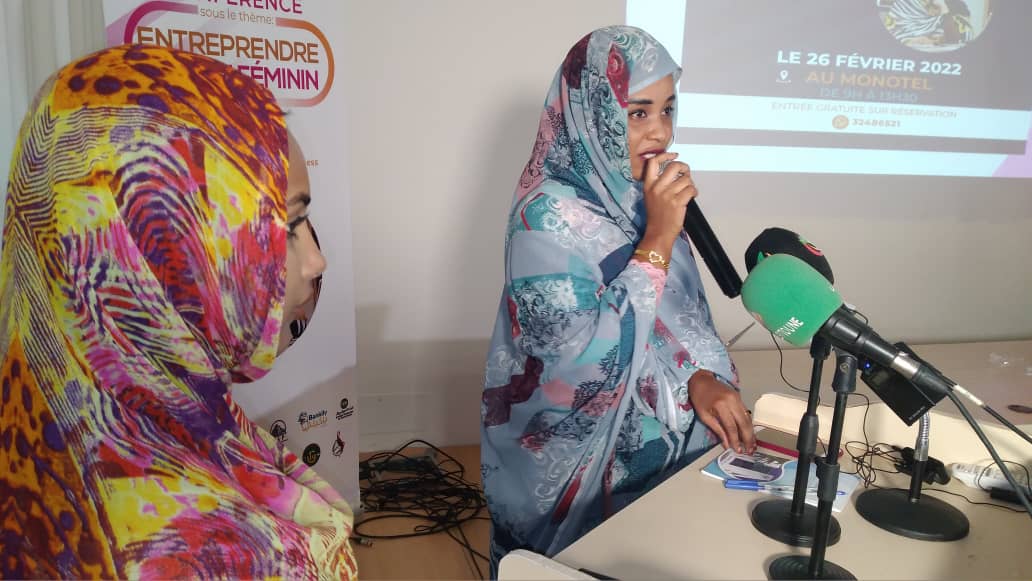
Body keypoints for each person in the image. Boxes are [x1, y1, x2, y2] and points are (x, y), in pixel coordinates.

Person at [0, 44, 355, 579]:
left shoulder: (50, 424)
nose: (315, 260)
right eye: (282, 228)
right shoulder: (216, 556)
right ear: (166, 251)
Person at [481, 25, 754, 574]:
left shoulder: (635, 196)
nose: (659, 132)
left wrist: (695, 375)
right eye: (637, 113)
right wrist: (656, 239)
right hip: (573, 489)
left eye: (668, 110)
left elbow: (673, 319)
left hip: (663, 478)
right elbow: (576, 369)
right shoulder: (545, 218)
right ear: (592, 113)